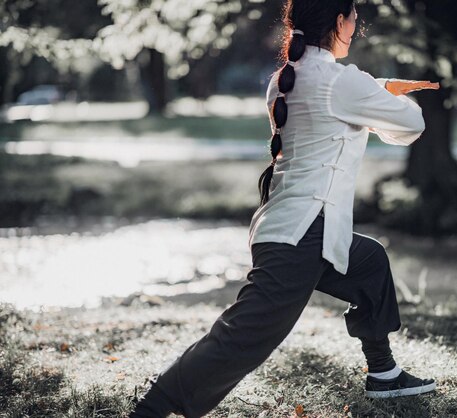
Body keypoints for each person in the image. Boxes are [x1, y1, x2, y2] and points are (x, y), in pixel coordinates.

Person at [129, 1, 439, 416]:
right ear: (339, 23)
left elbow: (337, 104)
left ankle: (383, 374)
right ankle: (150, 408)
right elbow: (412, 125)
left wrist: (375, 89)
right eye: (353, 17)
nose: (357, 24)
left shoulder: (285, 79)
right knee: (243, 337)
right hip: (301, 237)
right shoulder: (343, 81)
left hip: (294, 226)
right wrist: (379, 91)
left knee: (369, 264)